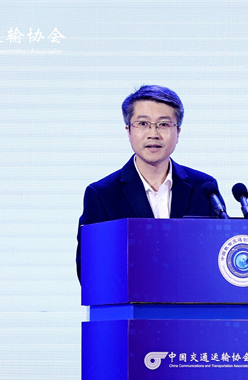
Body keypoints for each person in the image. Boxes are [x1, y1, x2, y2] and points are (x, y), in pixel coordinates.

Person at [76, 85, 223, 281]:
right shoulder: (103, 194)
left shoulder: (204, 188)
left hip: (192, 300)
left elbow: (218, 256)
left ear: (178, 132)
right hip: (132, 300)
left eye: (164, 124)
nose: (153, 134)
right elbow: (89, 268)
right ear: (129, 131)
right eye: (143, 124)